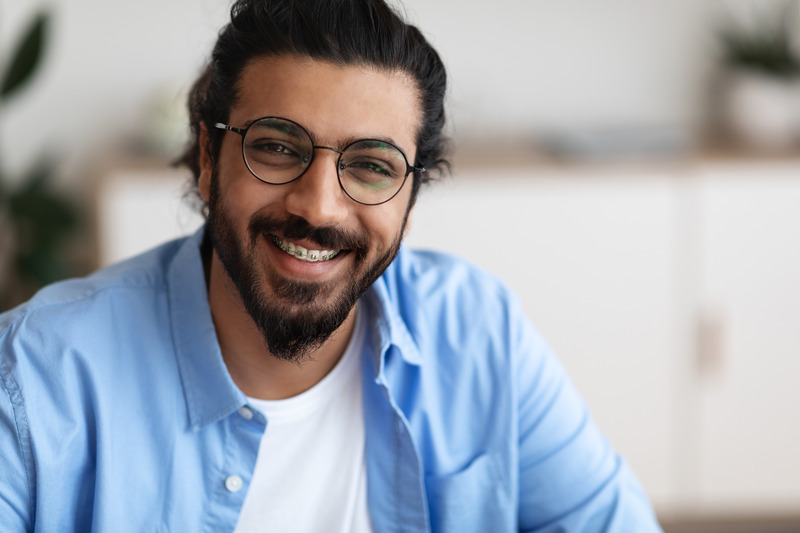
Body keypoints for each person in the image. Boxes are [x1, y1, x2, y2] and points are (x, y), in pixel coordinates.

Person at [0, 0, 663, 531]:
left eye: (371, 165)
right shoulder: (36, 374)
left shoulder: (480, 331)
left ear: (412, 193)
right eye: (278, 147)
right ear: (208, 158)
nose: (318, 206)